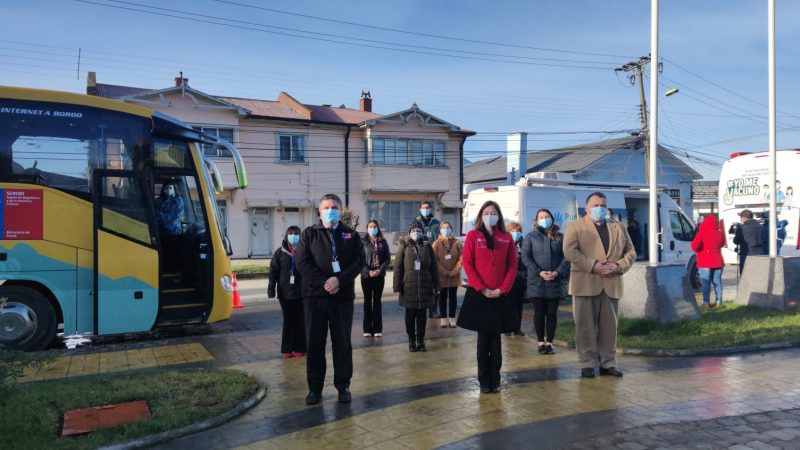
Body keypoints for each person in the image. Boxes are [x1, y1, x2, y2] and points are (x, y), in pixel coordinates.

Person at [295, 194, 364, 405]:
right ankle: (314, 389)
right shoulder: (309, 234)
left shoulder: (351, 235)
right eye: (326, 207)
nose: (330, 210)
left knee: (342, 342)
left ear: (341, 210)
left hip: (342, 297)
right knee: (315, 343)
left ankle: (343, 386)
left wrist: (339, 280)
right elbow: (302, 262)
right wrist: (326, 282)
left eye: (334, 207)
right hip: (314, 296)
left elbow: (359, 261)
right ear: (319, 210)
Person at [563, 192, 636, 379]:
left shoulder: (618, 226)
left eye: (603, 205)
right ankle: (587, 363)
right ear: (586, 208)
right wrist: (593, 265)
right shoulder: (575, 226)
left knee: (610, 327)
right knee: (585, 327)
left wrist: (619, 266)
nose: (599, 208)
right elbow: (570, 252)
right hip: (585, 282)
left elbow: (631, 252)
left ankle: (608, 363)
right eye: (595, 205)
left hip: (612, 283)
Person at [457, 201, 518, 393]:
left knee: (497, 341)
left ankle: (496, 379)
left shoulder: (506, 237)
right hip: (480, 295)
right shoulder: (474, 236)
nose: (490, 215)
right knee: (483, 340)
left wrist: (502, 288)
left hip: (500, 295)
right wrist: (481, 288)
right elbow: (468, 263)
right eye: (486, 212)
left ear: (499, 216)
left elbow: (512, 266)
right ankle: (484, 380)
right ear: (481, 215)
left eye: (493, 212)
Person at [521, 209, 570, 355]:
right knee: (539, 312)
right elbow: (525, 257)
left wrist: (558, 271)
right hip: (537, 281)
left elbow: (567, 257)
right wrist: (539, 272)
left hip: (555, 281)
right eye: (541, 217)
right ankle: (540, 342)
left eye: (547, 216)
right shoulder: (531, 237)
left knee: (552, 313)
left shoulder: (560, 237)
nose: (544, 219)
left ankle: (550, 342)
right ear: (536, 220)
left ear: (552, 219)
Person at [394, 219, 440, 352]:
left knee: (422, 317)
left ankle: (420, 341)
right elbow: (398, 267)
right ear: (409, 232)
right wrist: (397, 286)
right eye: (413, 230)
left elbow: (434, 268)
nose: (416, 232)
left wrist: (437, 286)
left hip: (425, 285)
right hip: (409, 285)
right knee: (409, 316)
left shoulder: (427, 246)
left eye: (418, 230)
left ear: (422, 232)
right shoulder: (404, 245)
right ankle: (411, 341)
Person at [268, 226, 306, 358]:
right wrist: (271, 288)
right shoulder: (279, 253)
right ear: (286, 236)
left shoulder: (304, 251)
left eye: (296, 233)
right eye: (291, 233)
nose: (294, 236)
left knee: (301, 321)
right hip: (285, 293)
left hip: (302, 292)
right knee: (289, 321)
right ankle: (287, 349)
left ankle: (300, 348)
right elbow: (273, 272)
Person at [361, 220, 390, 337]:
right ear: (367, 228)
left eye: (375, 226)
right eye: (370, 226)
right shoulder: (363, 242)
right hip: (366, 276)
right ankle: (367, 329)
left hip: (379, 276)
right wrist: (368, 271)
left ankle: (378, 328)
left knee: (377, 302)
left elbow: (387, 259)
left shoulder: (383, 242)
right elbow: (359, 259)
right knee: (367, 301)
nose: (373, 228)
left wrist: (380, 270)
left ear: (378, 228)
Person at [432, 221, 463, 328]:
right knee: (442, 298)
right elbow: (434, 260)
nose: (446, 229)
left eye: (448, 227)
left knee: (453, 298)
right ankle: (443, 318)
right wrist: (445, 272)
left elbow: (462, 258)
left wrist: (455, 270)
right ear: (440, 230)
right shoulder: (436, 244)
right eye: (443, 228)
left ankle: (452, 318)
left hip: (455, 275)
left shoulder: (457, 243)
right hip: (442, 276)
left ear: (451, 229)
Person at [690, 216, 725, 309]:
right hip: (718, 261)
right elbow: (722, 244)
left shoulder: (702, 233)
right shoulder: (720, 233)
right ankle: (718, 303)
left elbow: (694, 246)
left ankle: (706, 303)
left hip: (705, 262)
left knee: (706, 283)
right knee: (717, 282)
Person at [415, 201, 442, 319]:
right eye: (423, 208)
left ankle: (433, 310)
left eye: (427, 207)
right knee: (422, 284)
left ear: (431, 209)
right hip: (420, 256)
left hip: (434, 257)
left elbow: (441, 239)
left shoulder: (437, 223)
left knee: (435, 284)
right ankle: (421, 309)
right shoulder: (416, 222)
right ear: (420, 209)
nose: (426, 209)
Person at [506, 221, 527, 337]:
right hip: (509, 277)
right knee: (509, 303)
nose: (515, 233)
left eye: (517, 231)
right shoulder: (505, 243)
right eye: (513, 231)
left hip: (521, 276)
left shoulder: (524, 242)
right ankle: (508, 328)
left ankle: (517, 328)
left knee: (519, 303)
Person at [732, 209, 765, 275]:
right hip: (760, 254)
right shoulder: (761, 227)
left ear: (744, 218)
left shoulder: (742, 228)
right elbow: (763, 239)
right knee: (758, 275)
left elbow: (736, 241)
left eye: (741, 218)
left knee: (745, 275)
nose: (741, 220)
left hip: (746, 254)